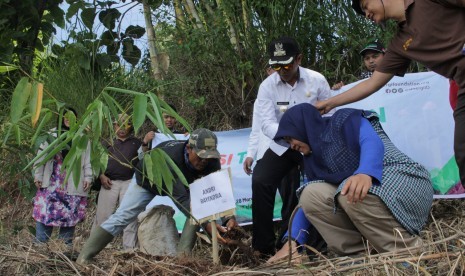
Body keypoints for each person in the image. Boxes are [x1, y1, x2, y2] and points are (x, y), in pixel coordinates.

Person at [317, 0, 465, 186]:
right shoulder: (401, 42)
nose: (366, 14)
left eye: (365, 6)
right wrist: (328, 103)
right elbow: (372, 83)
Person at [268, 103, 433, 261]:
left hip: (401, 179)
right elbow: (306, 207)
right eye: (287, 142)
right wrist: (292, 242)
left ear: (302, 126)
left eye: (291, 138)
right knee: (310, 194)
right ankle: (359, 256)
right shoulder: (313, 161)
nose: (292, 146)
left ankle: (405, 252)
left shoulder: (343, 120)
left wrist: (365, 172)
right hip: (368, 192)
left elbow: (370, 141)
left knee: (349, 191)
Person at [77, 128, 239, 264]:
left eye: (209, 156)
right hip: (149, 180)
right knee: (123, 216)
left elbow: (217, 191)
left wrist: (228, 218)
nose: (205, 161)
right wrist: (208, 226)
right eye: (201, 155)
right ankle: (85, 257)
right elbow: (184, 201)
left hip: (182, 183)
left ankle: (183, 261)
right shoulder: (170, 158)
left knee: (197, 212)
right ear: (189, 148)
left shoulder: (212, 161)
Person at [251, 36, 333, 256]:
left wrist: (312, 141)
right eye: (276, 66)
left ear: (299, 59)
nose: (282, 70)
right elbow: (266, 124)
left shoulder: (317, 80)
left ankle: (319, 242)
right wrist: (291, 139)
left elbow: (330, 114)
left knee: (321, 185)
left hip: (315, 145)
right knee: (261, 180)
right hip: (284, 145)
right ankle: (263, 246)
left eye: (286, 64)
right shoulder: (267, 87)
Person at [244, 65, 301, 250]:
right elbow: (256, 129)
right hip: (265, 154)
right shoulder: (263, 95)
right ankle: (263, 248)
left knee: (291, 200)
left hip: (288, 151)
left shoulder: (296, 92)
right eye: (272, 67)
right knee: (262, 202)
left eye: (282, 66)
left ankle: (287, 241)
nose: (276, 71)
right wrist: (250, 154)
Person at [92, 113, 153, 250]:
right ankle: (99, 247)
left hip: (129, 183)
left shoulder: (136, 143)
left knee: (130, 217)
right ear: (114, 126)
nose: (122, 128)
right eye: (119, 124)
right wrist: (101, 176)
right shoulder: (106, 143)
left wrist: (144, 143)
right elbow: (96, 162)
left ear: (131, 126)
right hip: (109, 183)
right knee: (103, 215)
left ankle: (129, 248)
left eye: (126, 124)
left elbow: (143, 158)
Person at [33, 108, 92, 245]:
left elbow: (87, 160)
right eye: (65, 115)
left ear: (76, 119)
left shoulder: (82, 137)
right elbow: (40, 158)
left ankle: (64, 253)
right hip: (51, 183)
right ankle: (39, 248)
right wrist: (38, 175)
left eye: (71, 116)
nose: (68, 118)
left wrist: (88, 177)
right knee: (45, 215)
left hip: (72, 184)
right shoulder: (51, 135)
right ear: (60, 117)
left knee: (69, 218)